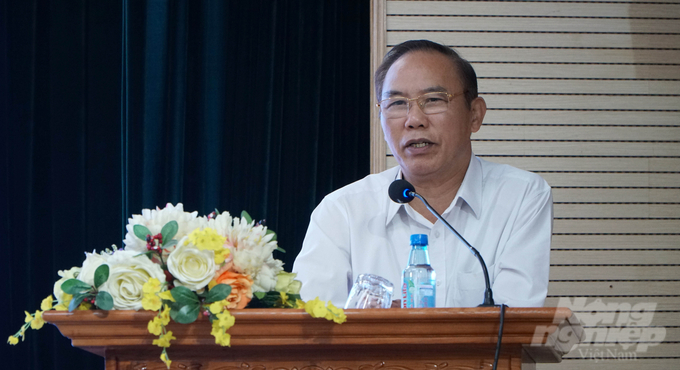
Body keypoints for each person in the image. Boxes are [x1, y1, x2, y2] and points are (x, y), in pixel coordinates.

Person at [292, 40, 552, 308]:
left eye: (433, 100)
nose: (414, 119)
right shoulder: (341, 212)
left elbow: (516, 323)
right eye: (396, 103)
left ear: (475, 115)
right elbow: (312, 329)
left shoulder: (521, 196)